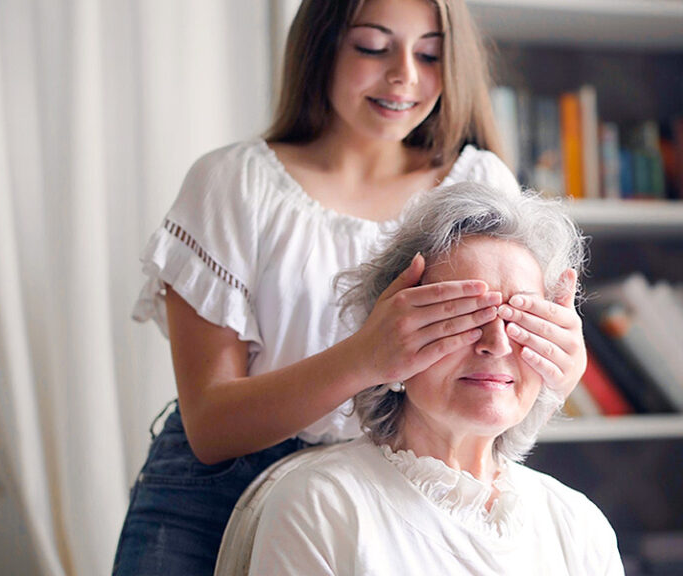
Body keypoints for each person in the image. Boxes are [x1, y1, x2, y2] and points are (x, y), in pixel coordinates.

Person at [113, 0, 588, 574]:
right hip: (215, 492)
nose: (404, 76)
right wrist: (367, 358)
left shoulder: (479, 179)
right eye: (372, 45)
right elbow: (211, 427)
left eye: (430, 54)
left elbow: (495, 371)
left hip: (398, 483)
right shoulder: (232, 184)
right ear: (322, 45)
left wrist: (558, 361)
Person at [244, 182, 623, 575]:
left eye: (520, 320)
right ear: (393, 337)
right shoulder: (321, 508)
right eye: (462, 315)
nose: (497, 344)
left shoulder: (579, 527)